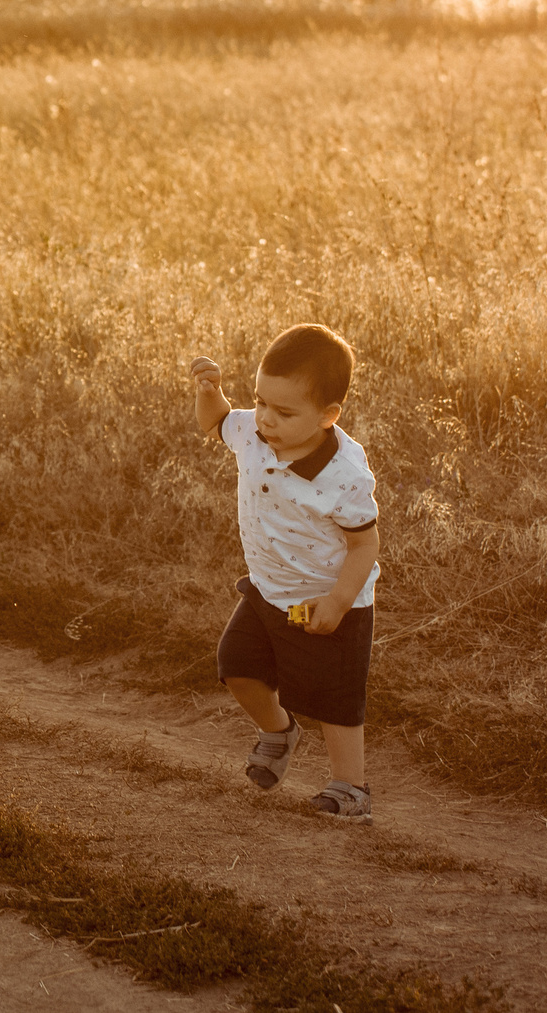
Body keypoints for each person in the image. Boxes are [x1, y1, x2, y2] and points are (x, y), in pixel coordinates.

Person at [188, 324, 380, 821]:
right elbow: (216, 423)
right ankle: (278, 732)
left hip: (328, 598)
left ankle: (350, 787)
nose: (265, 419)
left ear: (327, 416)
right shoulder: (253, 430)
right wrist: (211, 394)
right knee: (236, 666)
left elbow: (365, 544)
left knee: (333, 700)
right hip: (268, 589)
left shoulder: (344, 474)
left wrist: (338, 602)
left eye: (284, 412)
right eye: (261, 402)